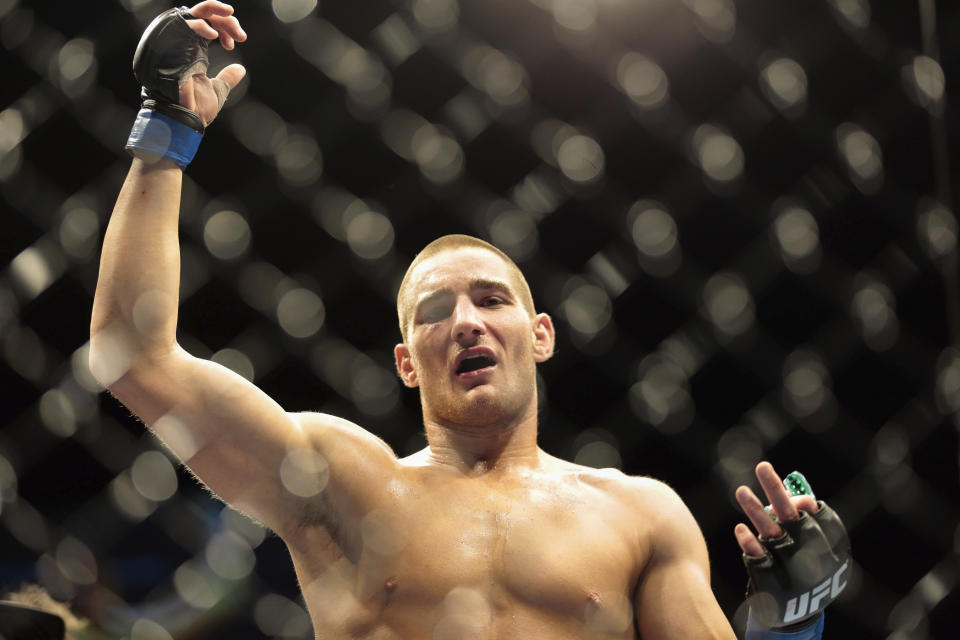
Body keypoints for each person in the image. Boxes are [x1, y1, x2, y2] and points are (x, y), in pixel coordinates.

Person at [89, 3, 849, 638]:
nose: (465, 323)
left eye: (490, 300)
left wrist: (791, 623)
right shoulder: (342, 485)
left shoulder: (641, 514)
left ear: (541, 333)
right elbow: (132, 356)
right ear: (405, 362)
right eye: (433, 313)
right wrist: (165, 134)